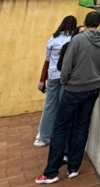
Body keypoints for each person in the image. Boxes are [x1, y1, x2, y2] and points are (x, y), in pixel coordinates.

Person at [36, 11, 100, 184]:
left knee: (61, 127)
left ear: (85, 23)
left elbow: (67, 65)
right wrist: (99, 76)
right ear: (99, 24)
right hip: (93, 88)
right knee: (82, 125)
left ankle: (51, 171)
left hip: (74, 89)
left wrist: (66, 81)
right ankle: (73, 167)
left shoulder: (78, 40)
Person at [34, 15, 79, 147]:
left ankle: (42, 136)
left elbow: (47, 61)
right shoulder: (74, 40)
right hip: (67, 77)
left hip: (53, 76)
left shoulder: (53, 39)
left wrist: (42, 80)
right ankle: (60, 137)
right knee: (62, 107)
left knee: (49, 106)